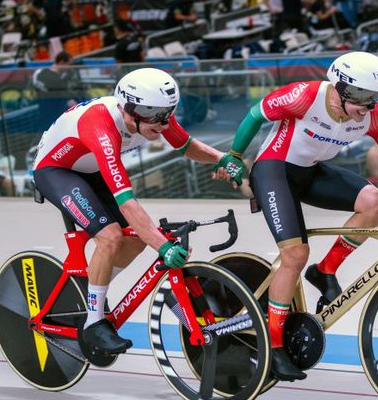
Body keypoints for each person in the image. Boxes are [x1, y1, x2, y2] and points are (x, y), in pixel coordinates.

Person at [221, 52, 378, 381]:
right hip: (273, 170)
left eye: (375, 97)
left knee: (375, 203)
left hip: (311, 171)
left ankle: (325, 271)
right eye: (362, 97)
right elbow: (255, 114)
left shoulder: (374, 115)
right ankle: (274, 347)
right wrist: (235, 155)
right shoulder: (305, 96)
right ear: (340, 88)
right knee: (295, 255)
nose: (368, 106)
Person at [32, 68, 239, 357]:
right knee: (110, 237)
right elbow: (127, 202)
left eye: (167, 113)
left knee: (137, 238)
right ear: (127, 109)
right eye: (153, 114)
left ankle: (91, 291)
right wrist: (163, 247)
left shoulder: (153, 118)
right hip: (56, 170)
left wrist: (221, 158)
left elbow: (186, 146)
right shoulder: (102, 126)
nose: (163, 122)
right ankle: (93, 322)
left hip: (89, 168)